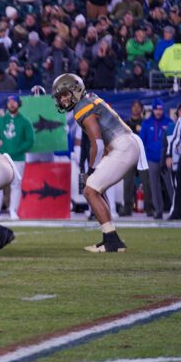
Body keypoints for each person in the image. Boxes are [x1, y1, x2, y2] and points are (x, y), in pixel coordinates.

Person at [53, 73, 141, 252]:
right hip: (124, 143)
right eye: (60, 97)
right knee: (96, 189)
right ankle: (111, 238)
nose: (62, 100)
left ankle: (112, 240)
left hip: (122, 146)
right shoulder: (91, 98)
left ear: (76, 90)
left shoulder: (82, 108)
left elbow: (98, 144)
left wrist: (92, 169)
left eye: (65, 95)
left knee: (90, 189)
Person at [0, 95, 35, 220]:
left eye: (14, 102)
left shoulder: (25, 121)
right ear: (7, 105)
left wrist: (17, 149)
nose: (12, 104)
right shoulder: (1, 120)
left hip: (18, 158)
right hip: (2, 157)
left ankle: (13, 210)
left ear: (19, 104)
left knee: (16, 184)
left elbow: (30, 140)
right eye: (10, 102)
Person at [139, 99, 172, 219]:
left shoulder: (168, 122)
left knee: (171, 185)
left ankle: (176, 209)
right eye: (156, 109)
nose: (158, 111)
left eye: (160, 109)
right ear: (153, 109)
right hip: (151, 159)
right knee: (154, 186)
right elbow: (141, 141)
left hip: (165, 159)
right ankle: (158, 211)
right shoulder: (147, 123)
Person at [167, 104, 181, 220]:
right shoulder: (178, 122)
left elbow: (175, 142)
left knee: (178, 186)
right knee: (177, 186)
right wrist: (169, 155)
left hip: (178, 158)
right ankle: (176, 211)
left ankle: (176, 212)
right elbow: (174, 142)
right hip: (177, 159)